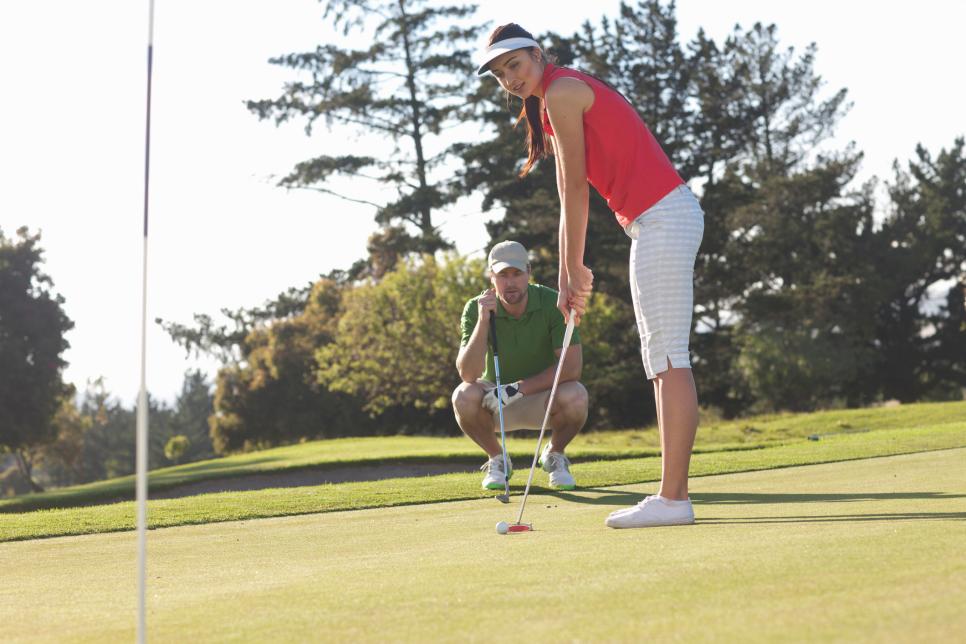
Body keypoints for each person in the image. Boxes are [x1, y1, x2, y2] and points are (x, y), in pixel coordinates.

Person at [476, 25, 705, 528]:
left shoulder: (560, 90)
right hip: (653, 222)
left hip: (663, 217)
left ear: (537, 55)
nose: (509, 79)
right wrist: (567, 273)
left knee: (669, 356)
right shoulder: (552, 100)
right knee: (660, 357)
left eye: (514, 65)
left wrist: (572, 270)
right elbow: (566, 193)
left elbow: (577, 191)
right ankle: (673, 496)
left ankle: (673, 498)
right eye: (499, 74)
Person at [452, 240, 588, 492]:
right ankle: (498, 459)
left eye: (517, 274)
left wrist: (518, 389)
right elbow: (468, 373)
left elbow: (571, 368)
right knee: (462, 395)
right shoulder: (476, 307)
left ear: (528, 273)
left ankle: (554, 455)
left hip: (544, 398)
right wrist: (483, 321)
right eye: (502, 275)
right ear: (491, 277)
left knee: (577, 395)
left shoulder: (551, 303)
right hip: (494, 400)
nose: (510, 282)